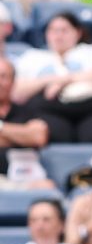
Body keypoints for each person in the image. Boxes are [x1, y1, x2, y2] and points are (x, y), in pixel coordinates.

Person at [12, 12, 92, 143]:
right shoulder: (32, 57)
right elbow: (16, 92)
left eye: (64, 30)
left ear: (77, 33)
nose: (58, 35)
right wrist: (51, 80)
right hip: (48, 109)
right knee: (47, 134)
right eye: (53, 30)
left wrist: (65, 81)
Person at [0, 57, 51, 189]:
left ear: (13, 82)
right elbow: (30, 136)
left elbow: (38, 137)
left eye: (3, 77)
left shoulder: (27, 110)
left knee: (47, 188)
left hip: (24, 177)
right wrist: (22, 136)